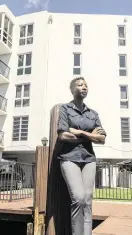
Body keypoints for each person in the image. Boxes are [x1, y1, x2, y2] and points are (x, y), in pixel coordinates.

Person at [57, 77, 107, 235]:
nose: (84, 87)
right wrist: (90, 135)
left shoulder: (93, 114)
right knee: (78, 198)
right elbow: (63, 136)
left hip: (88, 159)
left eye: (86, 85)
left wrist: (79, 132)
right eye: (80, 85)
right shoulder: (65, 109)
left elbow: (102, 138)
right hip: (69, 157)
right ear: (72, 89)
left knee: (87, 200)